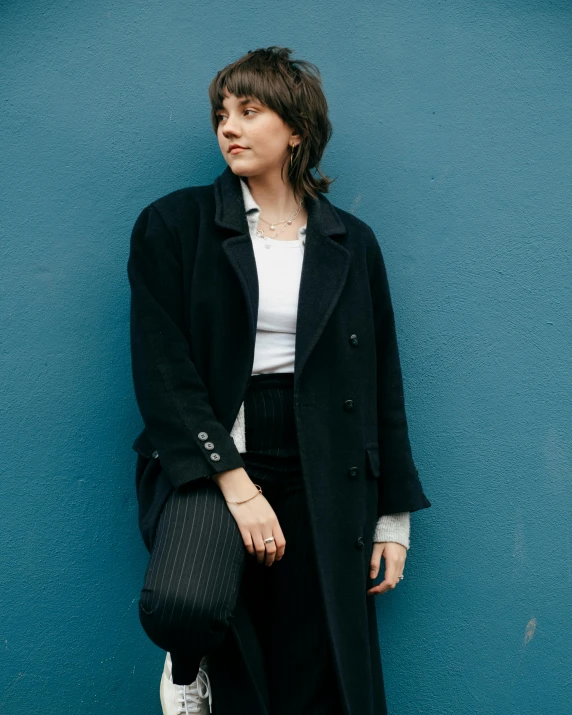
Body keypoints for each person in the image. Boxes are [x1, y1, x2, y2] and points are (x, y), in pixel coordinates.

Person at [127, 46, 431, 715]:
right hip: (214, 443)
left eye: (249, 110)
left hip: (325, 450)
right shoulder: (174, 225)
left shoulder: (350, 242)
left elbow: (382, 381)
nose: (228, 126)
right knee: (190, 603)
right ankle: (186, 673)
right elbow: (163, 369)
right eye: (221, 113)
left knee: (309, 656)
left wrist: (394, 519)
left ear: (295, 130)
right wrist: (235, 483)